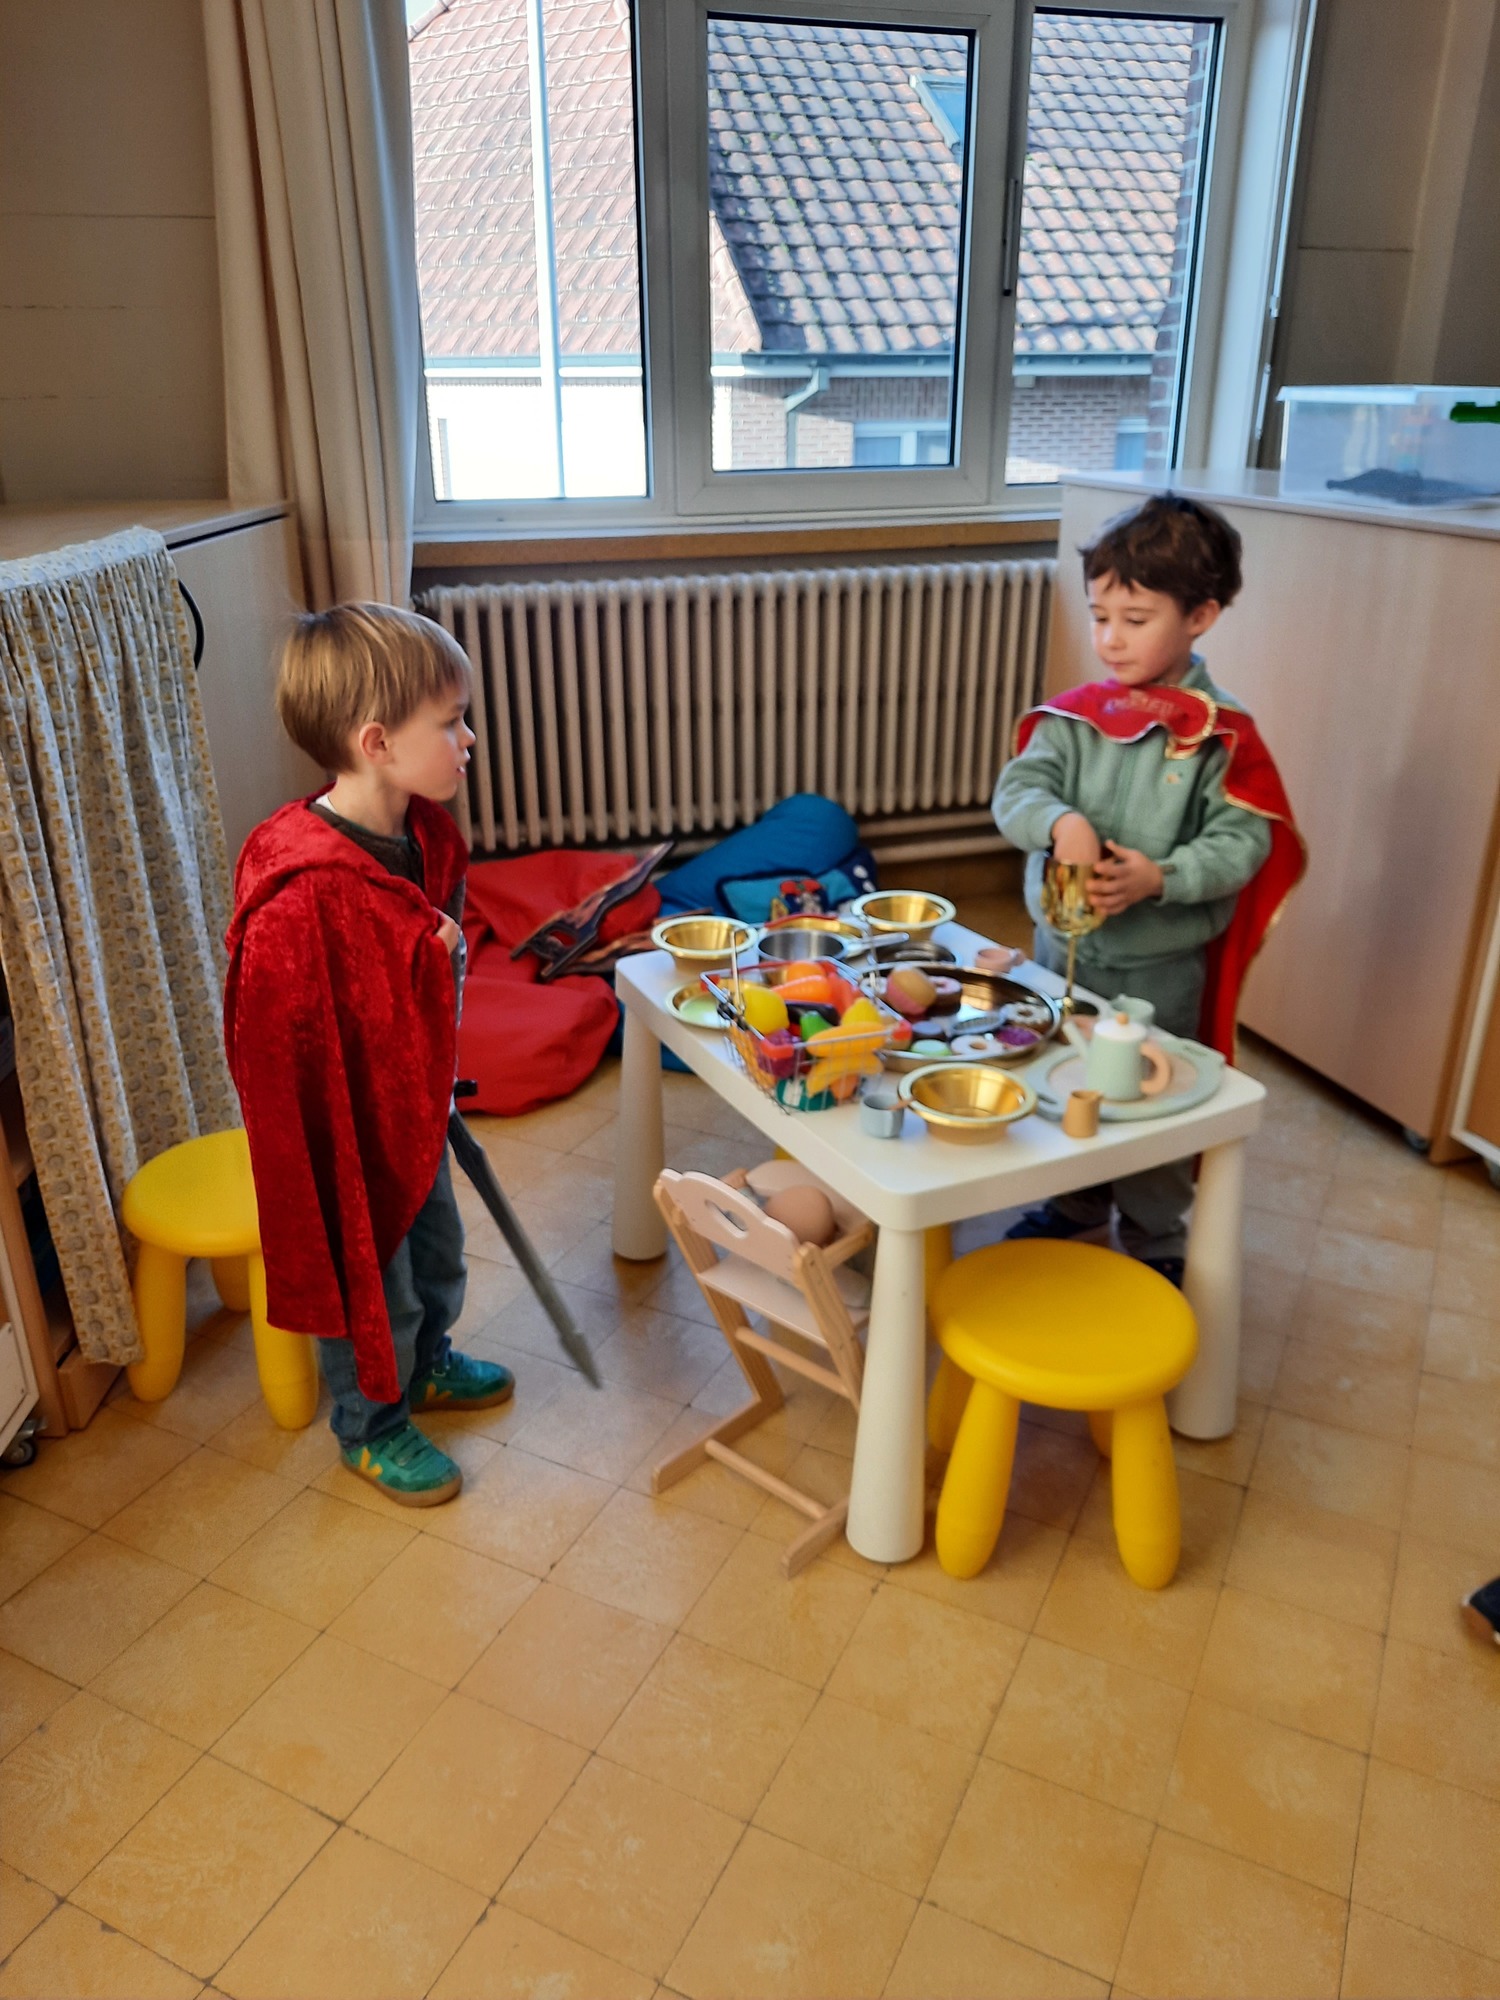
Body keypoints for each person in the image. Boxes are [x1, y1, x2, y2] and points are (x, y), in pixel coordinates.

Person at [224, 604, 514, 1505]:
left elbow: (412, 981)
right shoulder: (300, 888)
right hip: (345, 1127)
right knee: (373, 1278)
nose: (469, 739)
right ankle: (371, 1425)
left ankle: (426, 1365)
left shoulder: (423, 835)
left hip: (409, 1105)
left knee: (437, 1252)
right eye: (451, 722)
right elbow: (278, 1036)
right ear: (379, 742)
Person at [992, 493, 1304, 1283]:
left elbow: (1242, 843)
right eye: (1100, 616)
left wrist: (1162, 876)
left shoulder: (1220, 736)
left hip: (1160, 971)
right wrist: (1059, 821)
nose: (1110, 638)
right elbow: (1017, 791)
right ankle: (1076, 1200)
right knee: (1063, 1080)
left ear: (1200, 616)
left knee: (1153, 1096)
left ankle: (1156, 1230)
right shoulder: (1074, 718)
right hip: (1062, 956)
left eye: (1135, 619)